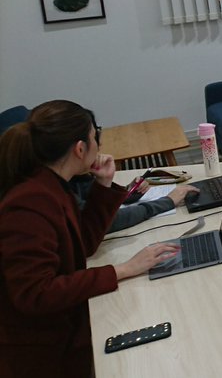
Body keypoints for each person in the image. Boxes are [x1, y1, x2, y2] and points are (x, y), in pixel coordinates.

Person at [0, 100, 181, 377]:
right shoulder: (28, 204)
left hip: (60, 329)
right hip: (41, 351)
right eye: (96, 136)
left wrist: (103, 185)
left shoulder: (52, 185)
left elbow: (82, 243)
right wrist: (123, 269)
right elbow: (36, 294)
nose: (99, 144)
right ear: (80, 149)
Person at [69, 176, 198, 234]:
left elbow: (94, 200)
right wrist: (167, 201)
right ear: (80, 149)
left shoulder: (74, 177)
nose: (100, 145)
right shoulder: (62, 193)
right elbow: (108, 220)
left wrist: (128, 193)